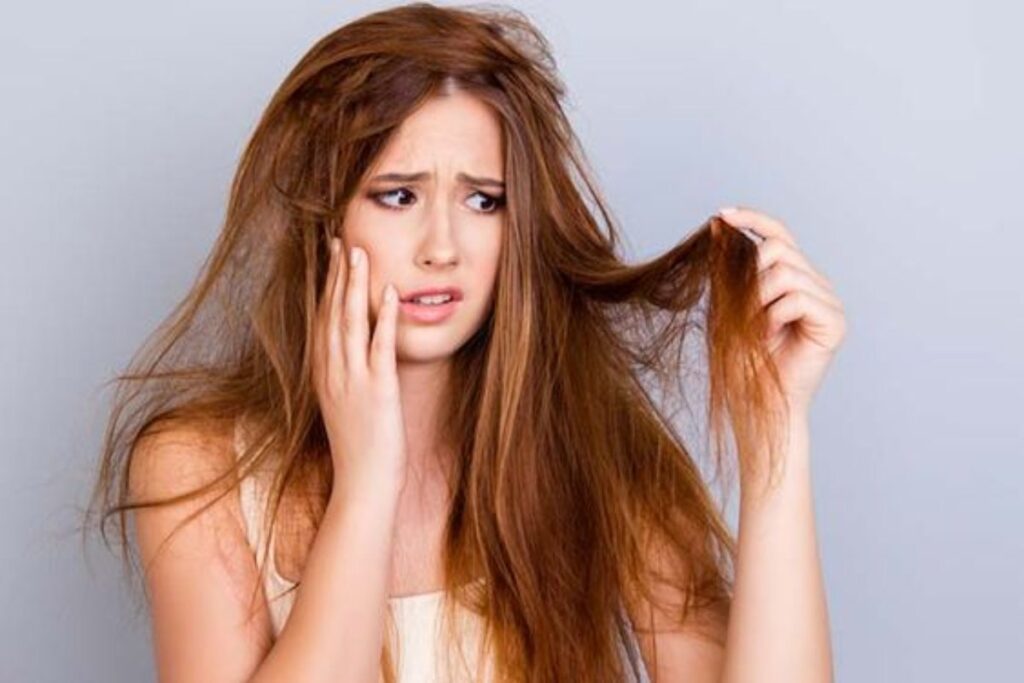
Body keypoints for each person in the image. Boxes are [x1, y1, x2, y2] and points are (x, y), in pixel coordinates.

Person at [85, 3, 844, 681]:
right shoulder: (198, 470)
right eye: (398, 195)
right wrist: (367, 481)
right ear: (325, 219)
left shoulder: (600, 454)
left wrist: (774, 433)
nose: (441, 246)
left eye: (483, 200)